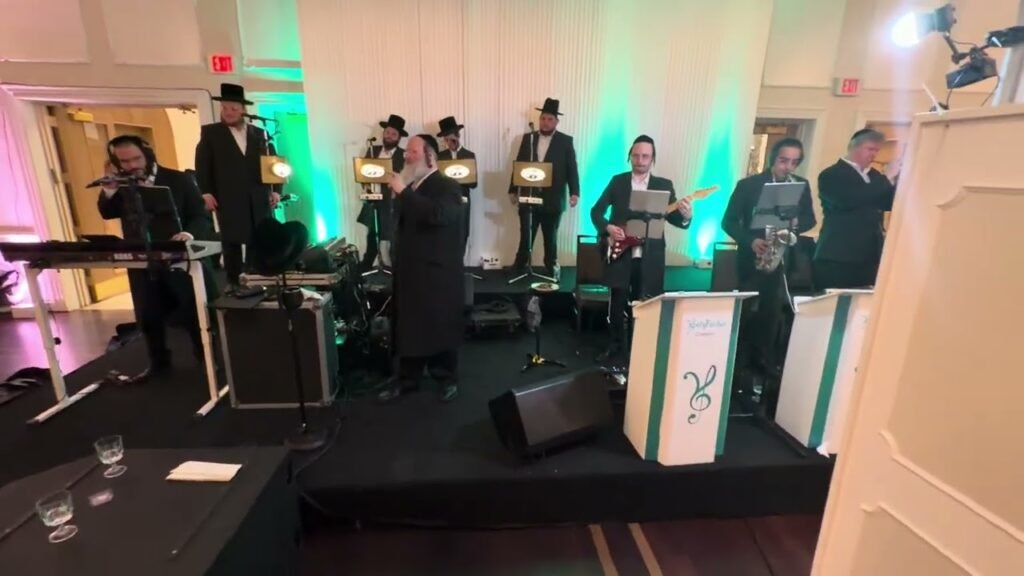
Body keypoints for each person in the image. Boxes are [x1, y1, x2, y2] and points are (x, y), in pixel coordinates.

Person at [98, 135, 215, 378]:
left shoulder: (178, 179)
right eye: (125, 161)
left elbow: (200, 216)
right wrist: (109, 190)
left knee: (191, 310)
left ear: (148, 155)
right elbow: (107, 212)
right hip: (141, 257)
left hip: (178, 257)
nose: (132, 166)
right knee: (148, 313)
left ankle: (207, 358)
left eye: (136, 159)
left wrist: (187, 234)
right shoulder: (122, 185)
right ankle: (158, 363)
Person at [377, 134, 465, 403]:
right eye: (407, 152)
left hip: (436, 271)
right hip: (409, 270)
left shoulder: (447, 185)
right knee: (410, 326)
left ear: (430, 156)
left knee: (438, 323)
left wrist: (403, 192)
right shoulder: (413, 187)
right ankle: (408, 378)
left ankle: (446, 377)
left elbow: (438, 215)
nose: (406, 156)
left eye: (413, 152)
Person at [590, 135, 692, 364]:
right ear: (630, 157)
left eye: (645, 156)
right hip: (621, 253)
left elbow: (675, 219)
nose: (640, 160)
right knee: (616, 305)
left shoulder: (664, 186)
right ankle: (616, 348)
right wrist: (608, 228)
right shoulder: (618, 182)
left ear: (652, 158)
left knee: (645, 304)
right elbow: (596, 211)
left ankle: (641, 350)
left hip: (650, 256)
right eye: (636, 155)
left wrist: (686, 216)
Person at [722, 137, 816, 379]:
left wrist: (796, 223)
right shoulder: (748, 185)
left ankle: (763, 362)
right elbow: (728, 222)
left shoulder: (801, 185)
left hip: (782, 258)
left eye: (794, 162)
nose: (788, 167)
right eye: (784, 160)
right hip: (752, 258)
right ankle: (737, 365)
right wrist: (751, 241)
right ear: (773, 158)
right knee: (746, 313)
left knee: (772, 314)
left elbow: (810, 220)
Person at [195, 83, 279, 290]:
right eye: (225, 108)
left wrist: (276, 191)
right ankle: (233, 282)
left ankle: (256, 278)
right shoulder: (211, 133)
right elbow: (202, 165)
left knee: (258, 237)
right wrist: (206, 192)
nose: (228, 112)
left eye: (233, 108)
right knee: (231, 239)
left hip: (258, 195)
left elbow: (274, 163)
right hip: (228, 195)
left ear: (243, 110)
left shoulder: (260, 133)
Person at [814, 128, 899, 289]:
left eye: (877, 150)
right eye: (870, 149)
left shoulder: (875, 176)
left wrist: (895, 181)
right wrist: (886, 178)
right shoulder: (831, 174)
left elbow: (888, 203)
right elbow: (849, 200)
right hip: (838, 255)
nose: (874, 154)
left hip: (869, 255)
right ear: (853, 147)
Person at [508, 98, 580, 279]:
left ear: (556, 121)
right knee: (526, 235)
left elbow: (572, 168)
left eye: (549, 119)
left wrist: (574, 192)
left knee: (550, 237)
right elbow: (519, 165)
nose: (545, 122)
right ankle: (519, 265)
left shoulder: (565, 141)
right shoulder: (528, 138)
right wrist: (513, 189)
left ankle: (551, 266)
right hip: (529, 195)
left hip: (553, 198)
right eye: (543, 118)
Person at [357, 114, 407, 272]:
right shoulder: (373, 150)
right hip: (374, 199)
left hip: (392, 202)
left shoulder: (403, 155)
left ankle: (395, 268)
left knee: (393, 236)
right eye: (387, 132)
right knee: (372, 234)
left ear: (398, 138)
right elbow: (363, 173)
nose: (389, 136)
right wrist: (367, 186)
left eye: (393, 134)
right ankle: (368, 265)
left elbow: (405, 178)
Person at [437, 116, 476, 251]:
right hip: (444, 201)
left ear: (458, 136)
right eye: (446, 139)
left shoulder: (469, 155)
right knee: (444, 232)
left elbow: (474, 183)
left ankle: (460, 261)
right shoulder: (440, 157)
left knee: (463, 232)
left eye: (452, 139)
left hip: (462, 199)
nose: (449, 142)